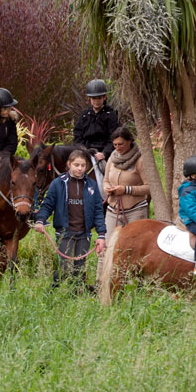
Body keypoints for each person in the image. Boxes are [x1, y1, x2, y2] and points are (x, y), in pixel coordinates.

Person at [31, 149, 106, 287]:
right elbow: (47, 205)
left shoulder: (91, 185)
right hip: (65, 232)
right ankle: (52, 292)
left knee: (79, 268)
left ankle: (75, 297)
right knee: (65, 267)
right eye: (76, 165)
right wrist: (40, 220)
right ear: (69, 164)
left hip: (84, 233)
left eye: (83, 165)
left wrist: (101, 235)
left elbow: (98, 211)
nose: (80, 168)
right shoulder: (58, 183)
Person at [102, 126, 151, 232]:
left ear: (129, 141)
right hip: (113, 210)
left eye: (120, 144)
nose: (117, 148)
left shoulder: (140, 160)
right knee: (109, 245)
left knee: (133, 245)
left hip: (136, 210)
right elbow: (105, 180)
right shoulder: (112, 158)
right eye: (115, 145)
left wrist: (126, 190)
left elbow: (150, 187)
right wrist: (107, 188)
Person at [74, 79, 120, 185]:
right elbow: (77, 135)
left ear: (104, 97)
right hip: (85, 151)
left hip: (103, 153)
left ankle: (110, 194)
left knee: (110, 173)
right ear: (90, 99)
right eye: (93, 98)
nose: (96, 101)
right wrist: (83, 149)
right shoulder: (85, 115)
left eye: (99, 98)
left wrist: (104, 153)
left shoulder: (111, 115)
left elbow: (113, 138)